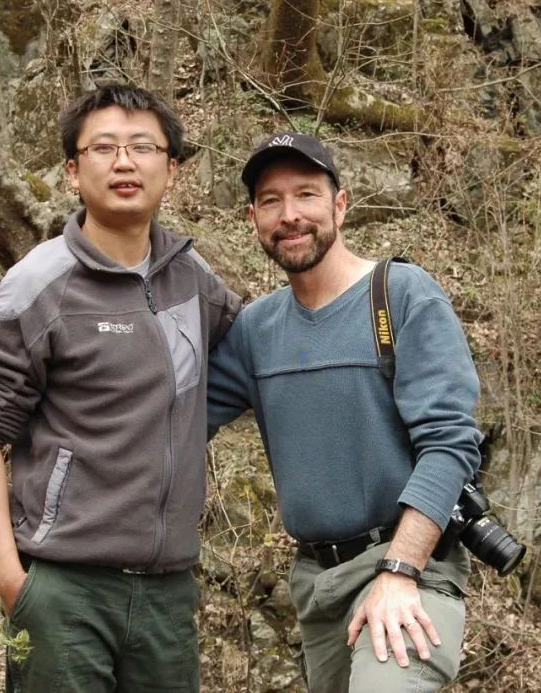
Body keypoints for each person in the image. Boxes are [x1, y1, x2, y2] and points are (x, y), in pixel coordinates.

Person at [0, 84, 240, 692]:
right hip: (66, 590)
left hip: (168, 592)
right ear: (72, 170)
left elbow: (249, 354)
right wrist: (11, 580)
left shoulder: (192, 279)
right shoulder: (37, 287)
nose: (124, 162)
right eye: (104, 147)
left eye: (143, 147)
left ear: (172, 168)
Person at [207, 132, 482, 692]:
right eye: (271, 200)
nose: (290, 215)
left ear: (340, 204)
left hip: (411, 569)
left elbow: (450, 445)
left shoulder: (401, 295)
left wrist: (400, 571)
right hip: (317, 585)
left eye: (306, 194)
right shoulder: (255, 331)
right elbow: (169, 420)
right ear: (253, 218)